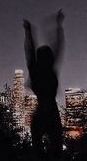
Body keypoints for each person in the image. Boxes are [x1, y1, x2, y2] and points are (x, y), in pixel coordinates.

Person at [23, 10, 65, 160]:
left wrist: (29, 32)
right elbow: (57, 47)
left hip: (43, 112)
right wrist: (59, 26)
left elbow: (30, 51)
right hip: (50, 112)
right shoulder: (46, 69)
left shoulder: (36, 70)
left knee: (41, 149)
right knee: (55, 149)